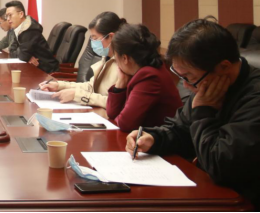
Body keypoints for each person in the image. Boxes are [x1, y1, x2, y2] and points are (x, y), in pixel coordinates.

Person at [126, 19, 260, 209]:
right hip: (206, 191)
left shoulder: (254, 98)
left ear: (223, 67)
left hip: (241, 201)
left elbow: (220, 166)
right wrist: (154, 138)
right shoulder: (208, 86)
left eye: (189, 77)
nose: (186, 86)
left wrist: (203, 111)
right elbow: (182, 129)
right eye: (180, 76)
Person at [105, 23, 182, 132]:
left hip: (163, 140)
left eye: (115, 55)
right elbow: (112, 113)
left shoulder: (149, 77)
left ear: (125, 58)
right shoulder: (145, 71)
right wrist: (120, 84)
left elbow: (125, 123)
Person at [39, 12, 123, 108]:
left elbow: (116, 103)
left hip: (106, 115)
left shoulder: (123, 65)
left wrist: (77, 95)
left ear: (111, 37)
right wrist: (59, 85)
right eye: (92, 38)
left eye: (95, 38)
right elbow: (90, 87)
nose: (93, 43)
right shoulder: (106, 58)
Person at [5, 0, 59, 73]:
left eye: (10, 15)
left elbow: (22, 57)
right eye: (7, 16)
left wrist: (25, 56)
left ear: (21, 14)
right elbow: (11, 50)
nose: (8, 19)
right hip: (33, 69)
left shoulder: (30, 30)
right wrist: (28, 57)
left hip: (46, 72)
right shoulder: (18, 28)